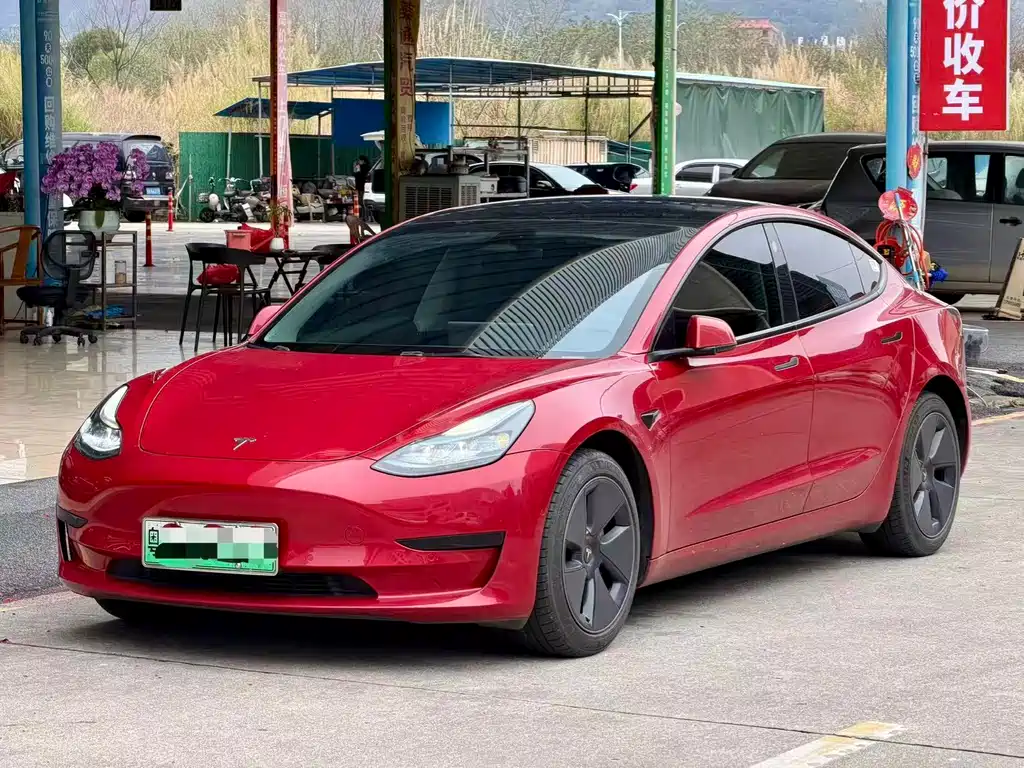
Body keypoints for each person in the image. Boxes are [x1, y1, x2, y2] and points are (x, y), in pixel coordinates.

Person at [353, 155, 372, 220]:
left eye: (359, 160)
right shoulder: (368, 167)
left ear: (363, 161)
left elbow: (357, 175)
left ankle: (365, 217)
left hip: (361, 186)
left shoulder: (361, 167)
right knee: (363, 202)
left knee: (362, 202)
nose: (358, 161)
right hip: (364, 186)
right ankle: (367, 217)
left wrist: (356, 169)